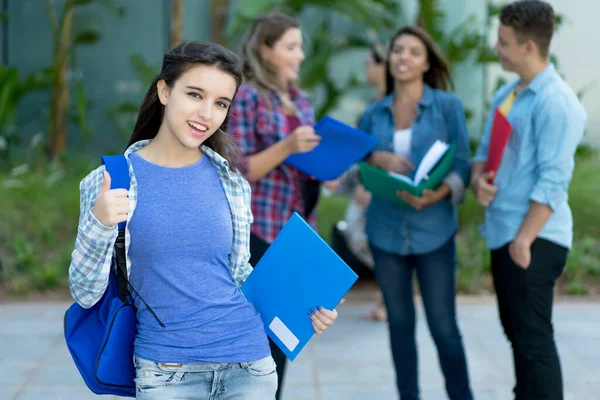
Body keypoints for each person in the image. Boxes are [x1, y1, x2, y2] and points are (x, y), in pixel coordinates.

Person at [68, 41, 340, 400]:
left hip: (251, 367)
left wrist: (306, 308)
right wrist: (100, 224)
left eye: (221, 103)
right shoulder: (113, 180)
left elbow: (238, 273)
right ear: (165, 91)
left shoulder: (231, 181)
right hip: (166, 374)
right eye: (195, 95)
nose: (206, 114)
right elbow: (86, 293)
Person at [470, 2, 587, 399]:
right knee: (519, 337)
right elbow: (484, 153)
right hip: (504, 232)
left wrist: (524, 240)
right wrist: (478, 181)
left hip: (533, 239)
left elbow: (555, 180)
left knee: (534, 342)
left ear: (529, 47)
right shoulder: (508, 93)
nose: (497, 48)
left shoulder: (558, 103)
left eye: (504, 42)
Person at [229, 11, 343, 400]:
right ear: (266, 50)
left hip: (298, 233)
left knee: (285, 337)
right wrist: (288, 146)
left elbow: (302, 166)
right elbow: (240, 169)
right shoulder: (246, 97)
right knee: (258, 343)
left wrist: (327, 168)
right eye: (291, 47)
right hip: (261, 232)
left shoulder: (300, 100)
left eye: (300, 47)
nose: (300, 55)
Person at [359, 26, 473, 400]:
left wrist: (437, 194)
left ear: (426, 63)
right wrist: (375, 157)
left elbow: (461, 165)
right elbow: (359, 163)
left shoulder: (447, 107)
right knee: (400, 326)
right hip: (385, 231)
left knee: (444, 327)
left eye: (412, 52)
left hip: (433, 230)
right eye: (397, 50)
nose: (402, 57)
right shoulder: (372, 113)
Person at [331, 43, 387, 321]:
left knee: (374, 238)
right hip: (363, 178)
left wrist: (367, 183)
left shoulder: (390, 105)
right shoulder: (374, 104)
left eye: (370, 62)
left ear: (382, 65)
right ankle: (385, 297)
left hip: (380, 184)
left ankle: (386, 299)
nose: (366, 67)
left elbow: (380, 150)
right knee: (362, 237)